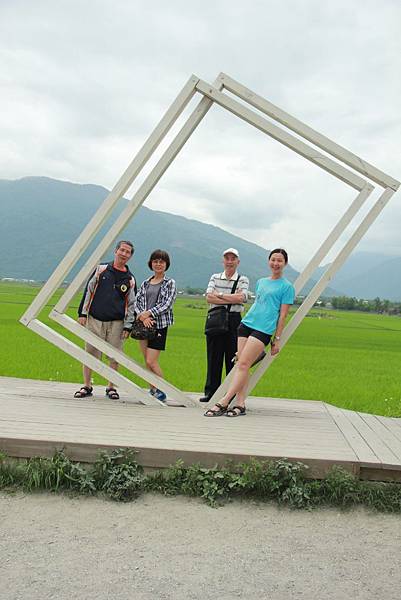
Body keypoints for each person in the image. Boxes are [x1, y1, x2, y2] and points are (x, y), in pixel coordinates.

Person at [204, 248, 295, 417]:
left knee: (244, 363)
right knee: (241, 364)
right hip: (246, 324)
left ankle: (224, 402)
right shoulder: (261, 282)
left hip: (263, 329)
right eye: (273, 260)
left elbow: (282, 315)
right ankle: (240, 404)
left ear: (285, 264)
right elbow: (257, 304)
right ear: (269, 261)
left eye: (279, 261)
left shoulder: (287, 287)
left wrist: (277, 338)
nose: (276, 263)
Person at [74, 240, 136, 400]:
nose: (124, 254)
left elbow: (131, 305)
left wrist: (128, 326)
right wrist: (82, 313)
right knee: (90, 353)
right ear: (115, 251)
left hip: (117, 323)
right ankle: (87, 385)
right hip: (95, 319)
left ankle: (111, 387)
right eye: (122, 250)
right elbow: (88, 291)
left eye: (128, 252)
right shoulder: (101, 270)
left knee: (115, 356)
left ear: (130, 256)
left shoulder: (130, 279)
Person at [199, 248, 249, 403]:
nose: (229, 261)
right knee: (214, 356)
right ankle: (211, 392)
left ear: (238, 262)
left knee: (232, 357)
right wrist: (231, 298)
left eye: (233, 258)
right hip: (216, 319)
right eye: (227, 258)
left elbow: (242, 298)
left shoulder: (243, 279)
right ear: (223, 261)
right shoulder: (215, 277)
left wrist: (219, 295)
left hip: (234, 320)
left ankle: (230, 394)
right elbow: (208, 297)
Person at [134, 249, 177, 402]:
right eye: (155, 261)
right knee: (146, 360)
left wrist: (148, 314)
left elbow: (167, 304)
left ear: (166, 265)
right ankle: (152, 389)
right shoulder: (146, 283)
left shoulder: (169, 283)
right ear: (151, 263)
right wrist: (142, 316)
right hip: (144, 325)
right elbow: (137, 302)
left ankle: (162, 390)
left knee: (152, 361)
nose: (158, 264)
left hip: (159, 325)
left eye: (161, 261)